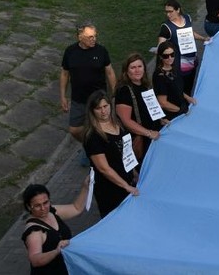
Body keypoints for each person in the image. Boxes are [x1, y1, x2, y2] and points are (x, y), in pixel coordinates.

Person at [83, 89, 139, 218]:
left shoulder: (117, 122)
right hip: (110, 187)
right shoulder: (92, 137)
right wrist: (126, 186)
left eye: (105, 106)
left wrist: (134, 171)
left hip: (127, 178)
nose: (103, 111)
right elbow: (104, 168)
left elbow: (126, 151)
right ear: (92, 111)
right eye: (98, 108)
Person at [60, 23, 117, 143]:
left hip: (98, 99)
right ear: (80, 37)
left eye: (95, 36)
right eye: (90, 37)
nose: (94, 39)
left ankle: (100, 148)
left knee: (101, 127)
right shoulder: (70, 52)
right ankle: (88, 144)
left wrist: (115, 92)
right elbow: (65, 74)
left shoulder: (101, 51)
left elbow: (110, 72)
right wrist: (63, 96)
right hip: (78, 99)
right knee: (74, 130)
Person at [21, 179, 90, 275]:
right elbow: (35, 260)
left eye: (45, 202)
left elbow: (76, 208)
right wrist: (56, 251)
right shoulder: (34, 232)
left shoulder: (52, 212)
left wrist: (85, 187)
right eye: (37, 206)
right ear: (29, 207)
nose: (43, 208)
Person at [114, 53, 164, 163]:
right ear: (126, 71)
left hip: (152, 135)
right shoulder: (124, 91)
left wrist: (161, 119)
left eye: (139, 66)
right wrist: (149, 133)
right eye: (133, 67)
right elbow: (126, 121)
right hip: (141, 137)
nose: (137, 70)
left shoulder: (145, 85)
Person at [157, 0, 206, 96]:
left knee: (190, 87)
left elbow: (190, 33)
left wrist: (203, 38)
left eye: (170, 11)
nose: (168, 15)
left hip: (192, 60)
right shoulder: (166, 27)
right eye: (166, 12)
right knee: (181, 90)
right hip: (179, 65)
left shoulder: (187, 18)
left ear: (178, 10)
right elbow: (161, 46)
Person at [154, 40, 197, 120]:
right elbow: (163, 103)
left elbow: (177, 88)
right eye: (166, 56)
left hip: (181, 109)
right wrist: (181, 110)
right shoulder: (159, 76)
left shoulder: (174, 68)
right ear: (160, 57)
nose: (170, 58)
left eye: (172, 54)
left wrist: (188, 98)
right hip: (172, 116)